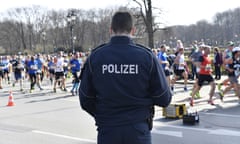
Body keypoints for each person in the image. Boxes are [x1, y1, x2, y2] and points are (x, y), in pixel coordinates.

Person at [79, 11, 172, 144]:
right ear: (133, 30)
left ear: (111, 30)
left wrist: (104, 116)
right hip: (138, 128)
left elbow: (85, 98)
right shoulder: (146, 57)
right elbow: (164, 98)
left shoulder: (96, 57)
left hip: (108, 128)